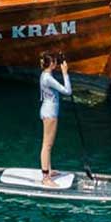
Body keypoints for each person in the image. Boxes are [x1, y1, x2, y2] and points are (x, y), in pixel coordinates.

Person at [39, 50, 72, 186]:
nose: (57, 63)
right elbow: (67, 91)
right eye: (55, 61)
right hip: (50, 113)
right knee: (47, 145)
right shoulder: (48, 78)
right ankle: (45, 178)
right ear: (51, 64)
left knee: (48, 145)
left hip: (46, 110)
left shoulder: (45, 74)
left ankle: (49, 170)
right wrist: (65, 73)